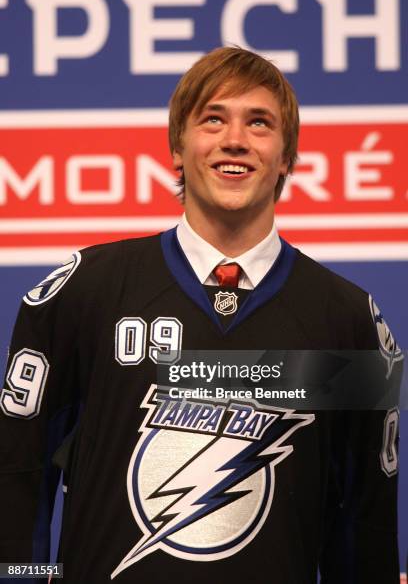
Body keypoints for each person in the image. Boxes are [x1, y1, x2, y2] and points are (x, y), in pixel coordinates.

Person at [0, 47, 403, 584]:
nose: (235, 139)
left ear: (286, 157)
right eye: (213, 118)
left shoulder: (349, 321)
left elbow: (364, 524)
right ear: (177, 148)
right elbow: (17, 480)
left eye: (259, 123)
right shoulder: (85, 290)